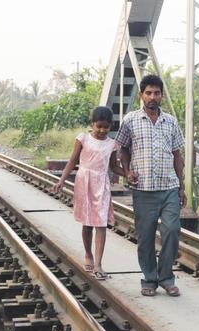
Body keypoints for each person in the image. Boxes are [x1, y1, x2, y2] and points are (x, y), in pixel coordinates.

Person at [115, 74, 186, 297]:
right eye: (148, 93)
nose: (153, 97)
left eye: (156, 93)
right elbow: (123, 148)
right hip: (144, 189)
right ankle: (149, 279)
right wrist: (127, 171)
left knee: (172, 230)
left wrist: (181, 187)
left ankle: (166, 278)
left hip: (169, 187)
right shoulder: (130, 120)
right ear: (141, 95)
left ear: (161, 95)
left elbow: (177, 155)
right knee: (145, 237)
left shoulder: (171, 122)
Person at [51, 106, 126, 280]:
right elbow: (72, 161)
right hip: (84, 182)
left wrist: (128, 173)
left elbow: (114, 167)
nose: (101, 130)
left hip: (101, 183)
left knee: (101, 223)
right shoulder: (83, 139)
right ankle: (88, 254)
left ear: (111, 126)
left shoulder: (112, 144)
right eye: (98, 126)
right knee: (87, 223)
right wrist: (61, 181)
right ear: (92, 124)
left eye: (105, 127)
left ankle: (98, 264)